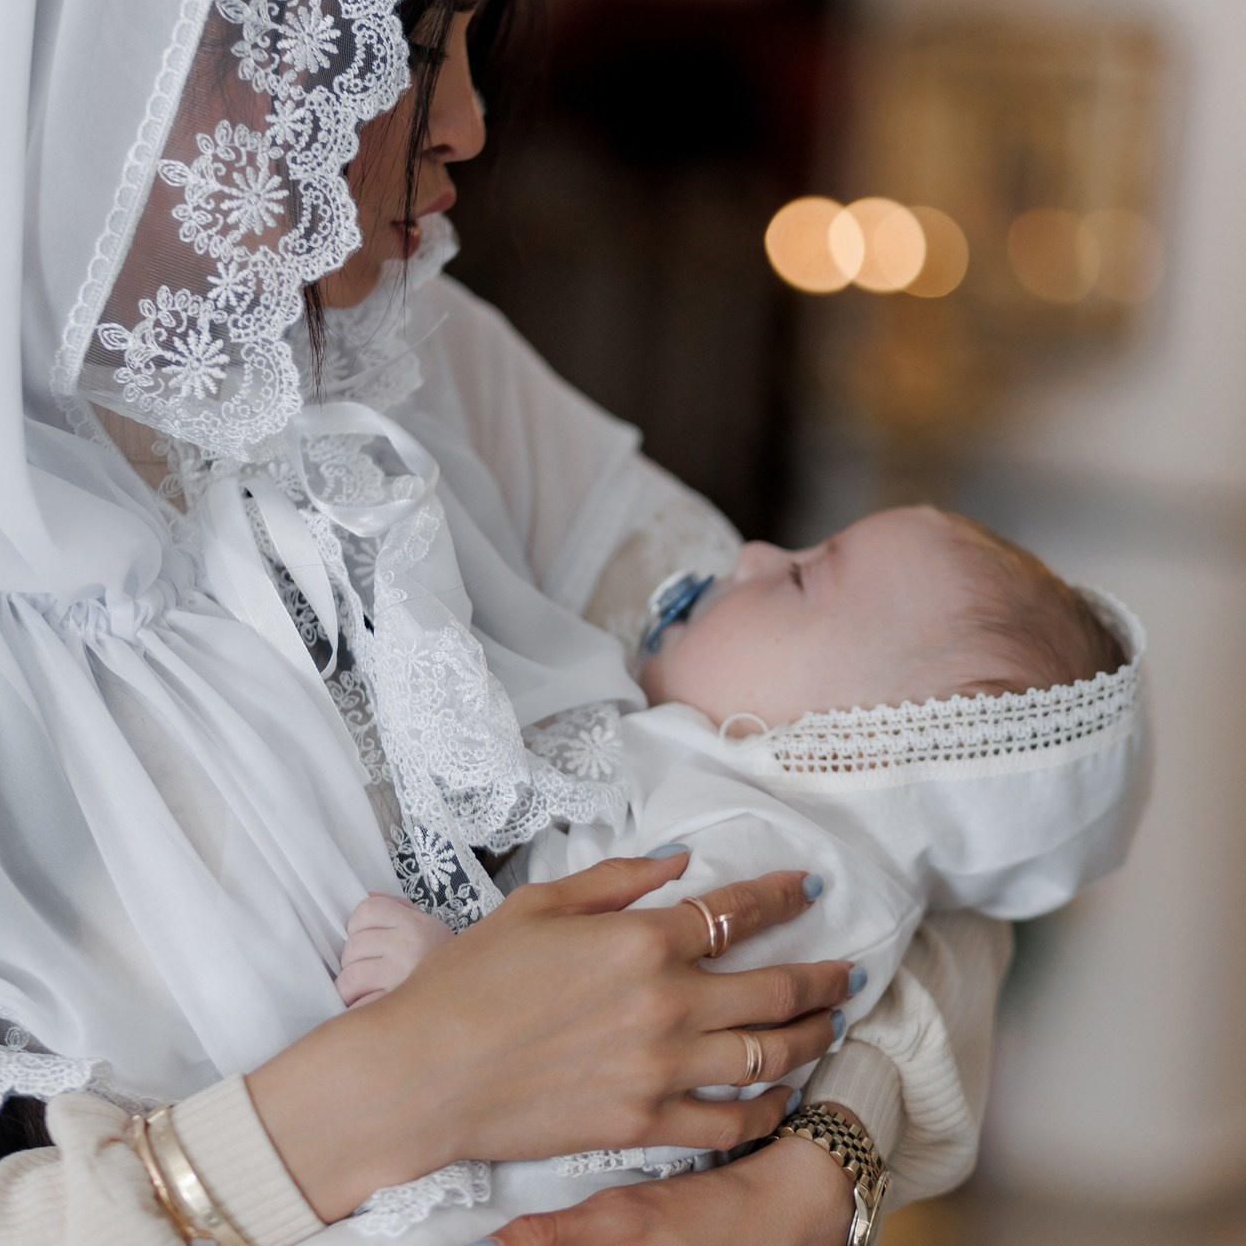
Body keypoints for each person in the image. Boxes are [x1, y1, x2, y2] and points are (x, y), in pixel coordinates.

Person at [0, 0, 1021, 1243]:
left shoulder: (398, 361)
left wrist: (802, 1174)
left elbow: (939, 757)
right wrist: (409, 1083)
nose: (464, 119)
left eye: (465, 30)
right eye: (407, 44)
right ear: (155, 30)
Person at [335, 507, 1148, 1243]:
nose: (752, 551)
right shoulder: (752, 806)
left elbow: (595, 1039)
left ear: (870, 746)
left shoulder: (780, 868)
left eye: (798, 578)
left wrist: (445, 982)